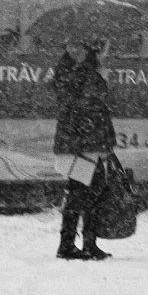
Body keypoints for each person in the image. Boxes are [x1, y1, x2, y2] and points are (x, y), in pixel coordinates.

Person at [52, 37, 116, 261]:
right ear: (96, 52)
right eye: (105, 50)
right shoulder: (88, 75)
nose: (108, 55)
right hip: (85, 145)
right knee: (82, 193)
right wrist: (100, 79)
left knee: (87, 192)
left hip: (83, 143)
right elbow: (91, 111)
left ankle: (84, 242)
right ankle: (71, 244)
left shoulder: (78, 72)